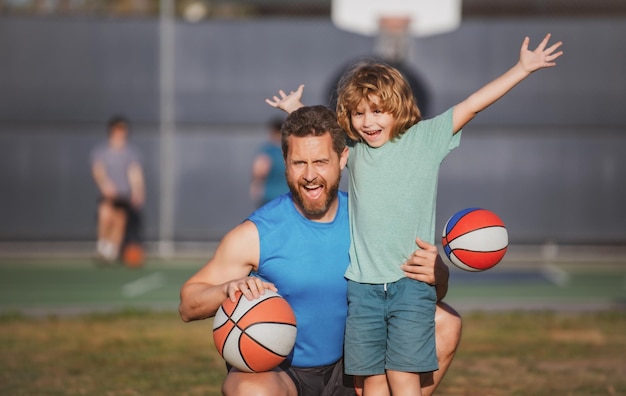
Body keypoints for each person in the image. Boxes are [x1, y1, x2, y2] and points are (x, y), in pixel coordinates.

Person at [267, 34, 563, 395]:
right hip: (362, 289)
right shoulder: (354, 150)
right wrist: (296, 110)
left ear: (399, 107)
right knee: (368, 385)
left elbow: (472, 104)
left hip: (410, 287)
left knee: (405, 379)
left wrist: (522, 68)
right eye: (358, 113)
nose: (367, 121)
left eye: (377, 110)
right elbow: (321, 134)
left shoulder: (426, 139)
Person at [178, 105, 462, 396]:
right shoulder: (257, 234)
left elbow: (420, 299)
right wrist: (229, 288)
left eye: (321, 162)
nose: (310, 175)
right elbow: (188, 305)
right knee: (249, 389)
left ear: (342, 159)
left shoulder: (369, 219)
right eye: (299, 163)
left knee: (445, 322)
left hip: (357, 364)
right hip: (283, 372)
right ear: (285, 162)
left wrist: (438, 275)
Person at [91, 116, 145, 263]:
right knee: (105, 214)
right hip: (108, 194)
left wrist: (137, 191)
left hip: (123, 195)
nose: (121, 132)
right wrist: (105, 185)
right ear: (112, 130)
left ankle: (111, 251)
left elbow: (134, 172)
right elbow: (98, 170)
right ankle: (102, 246)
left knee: (120, 219)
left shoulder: (130, 152)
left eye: (123, 129)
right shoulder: (102, 151)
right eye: (118, 129)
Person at [249, 116, 289, 208]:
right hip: (288, 197)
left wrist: (255, 184)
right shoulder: (291, 150)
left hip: (270, 196)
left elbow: (259, 170)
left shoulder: (268, 150)